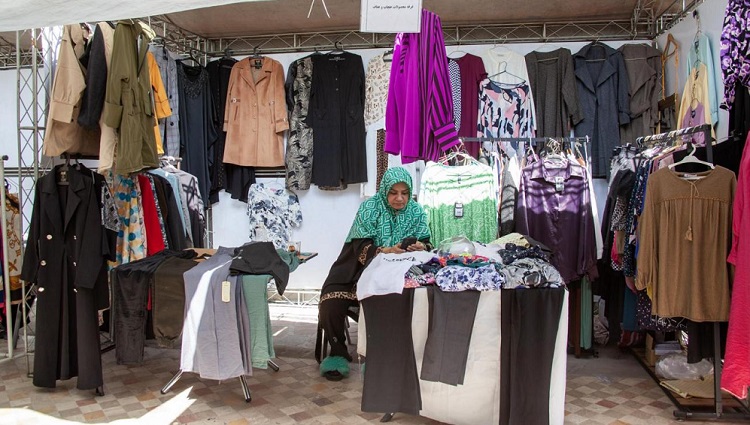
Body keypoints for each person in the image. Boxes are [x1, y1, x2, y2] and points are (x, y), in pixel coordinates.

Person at [318, 167, 432, 381]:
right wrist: (385, 251)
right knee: (330, 303)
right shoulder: (370, 207)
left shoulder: (416, 211)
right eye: (393, 193)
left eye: (404, 193)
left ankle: (377, 358)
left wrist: (421, 246)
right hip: (356, 271)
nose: (399, 198)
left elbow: (427, 243)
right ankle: (337, 354)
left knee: (387, 303)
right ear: (384, 190)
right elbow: (359, 246)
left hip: (397, 274)